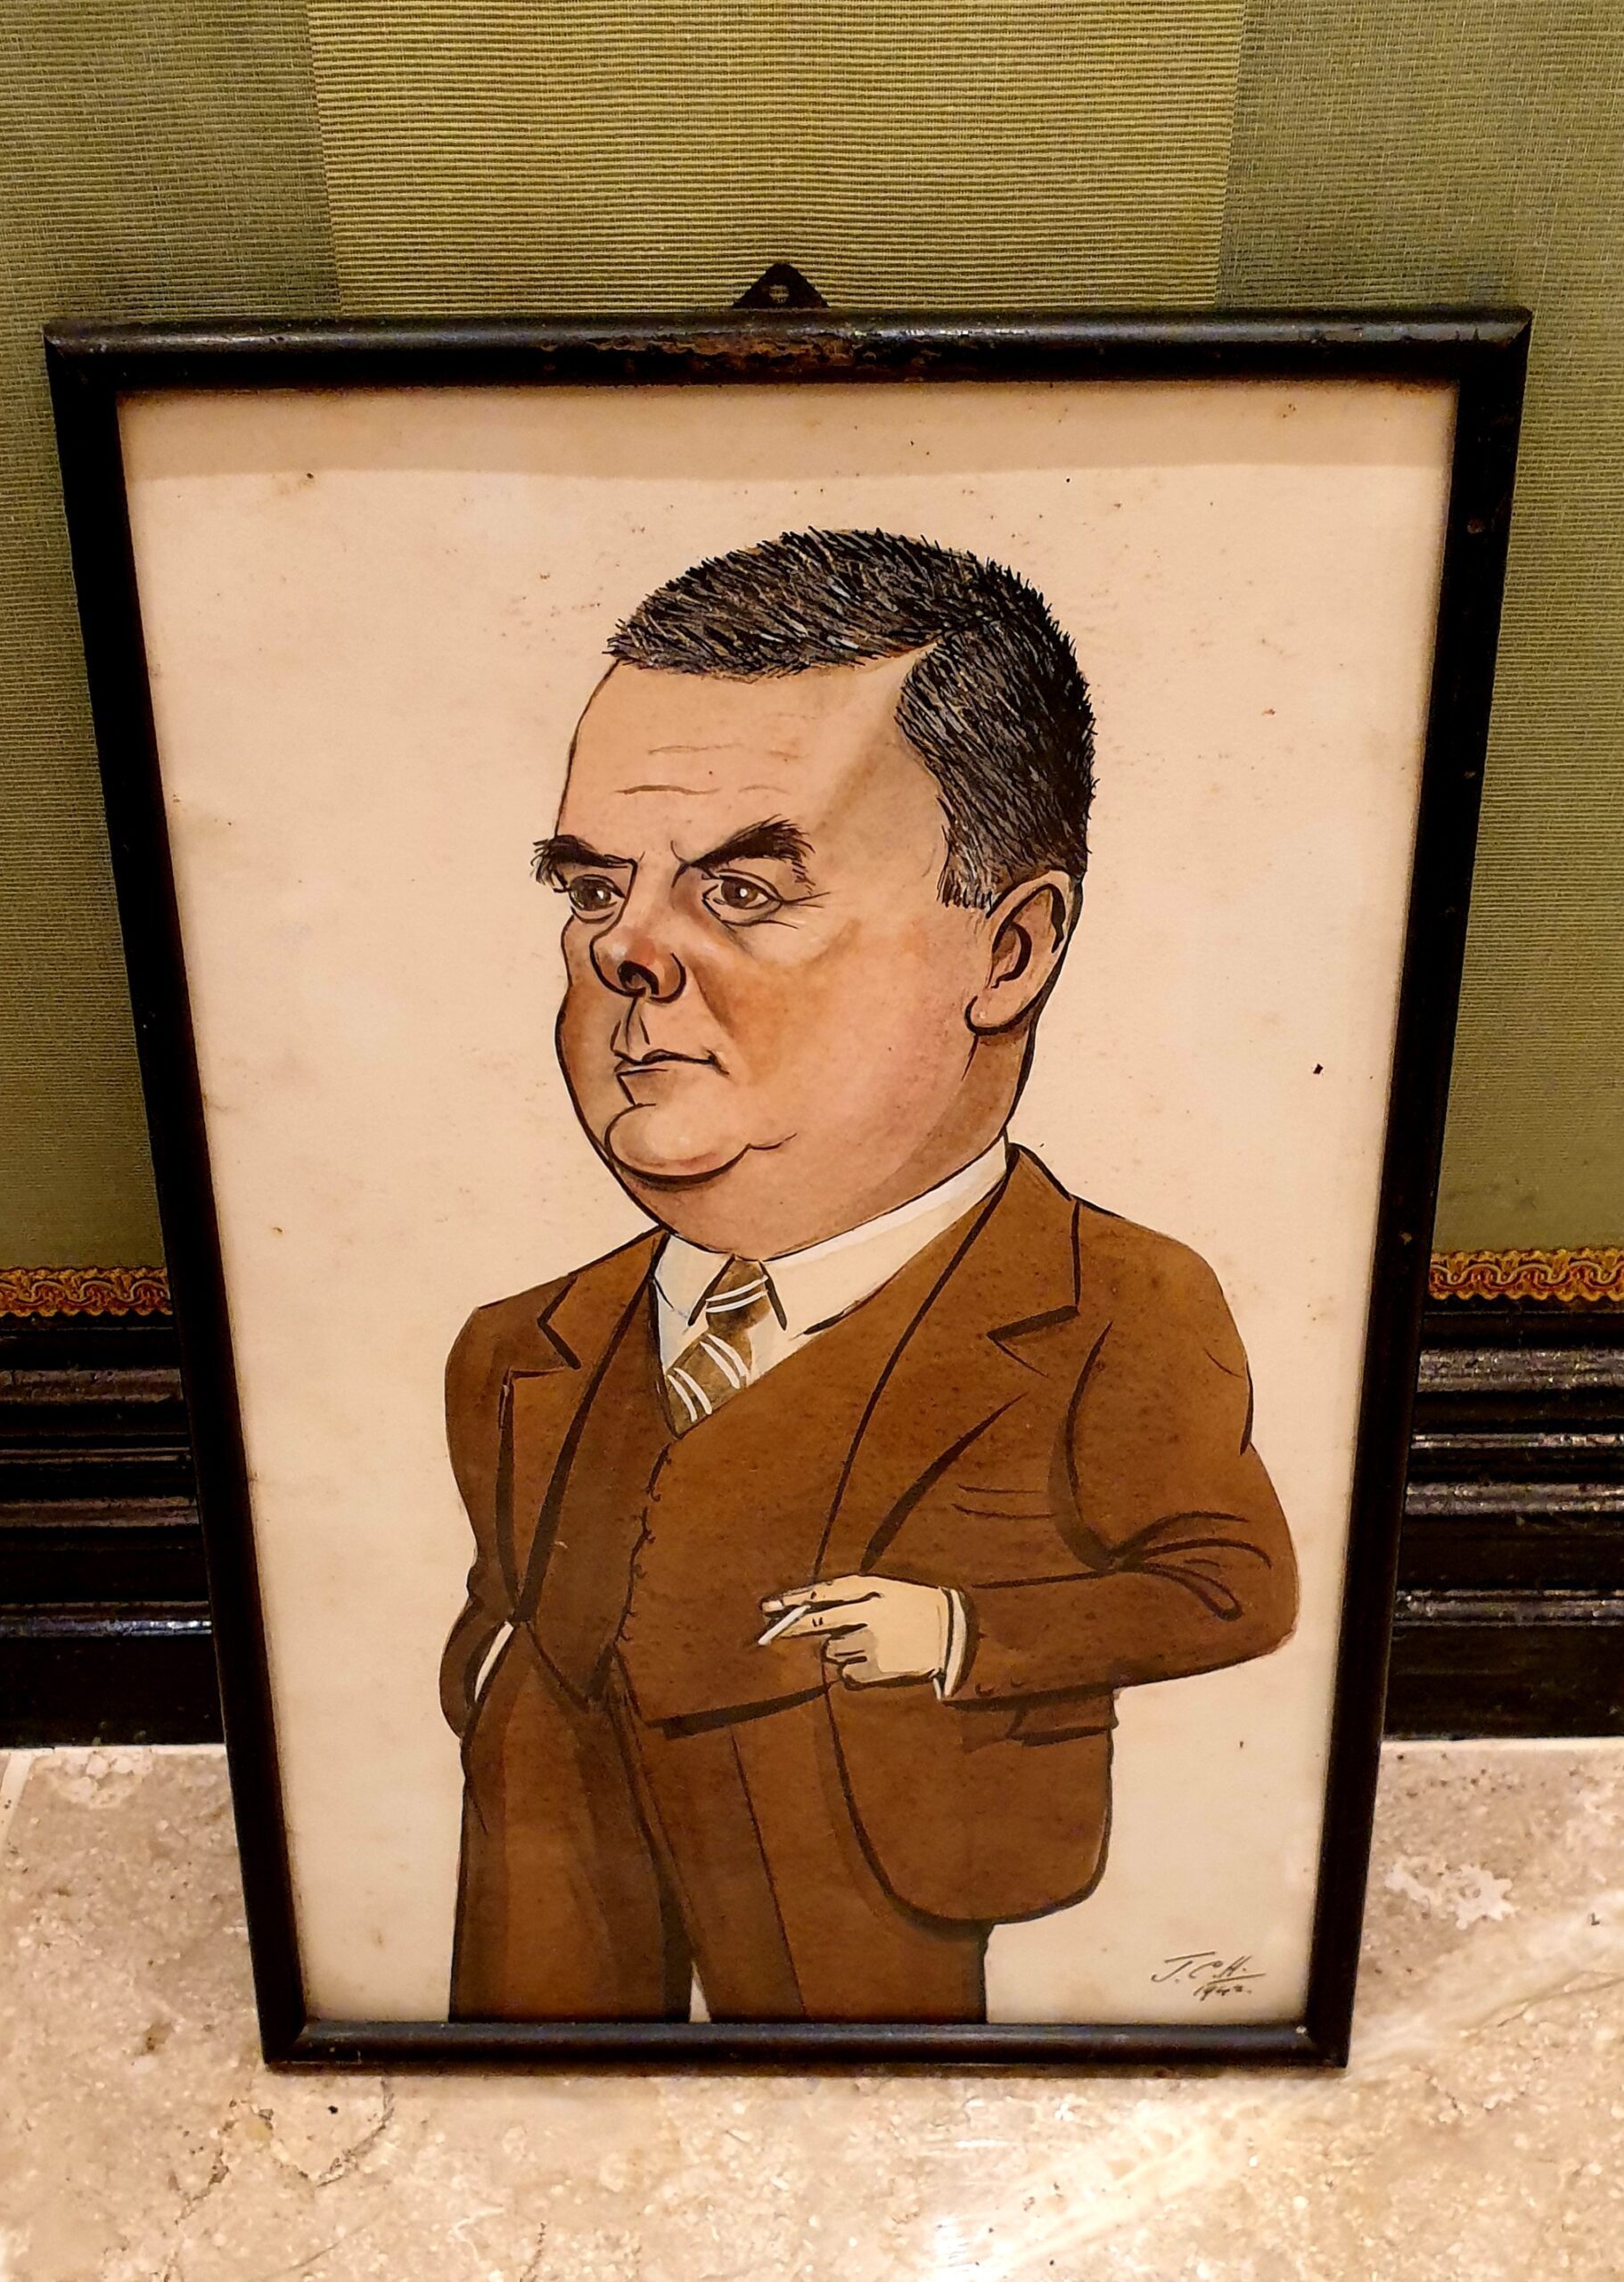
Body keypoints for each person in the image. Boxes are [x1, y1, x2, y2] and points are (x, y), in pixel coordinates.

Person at [440, 527, 1298, 2022]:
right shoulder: (523, 1341)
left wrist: (963, 1637)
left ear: (1008, 952)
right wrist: (498, 1677)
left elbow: (1234, 1587)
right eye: (591, 891)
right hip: (557, 1824)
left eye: (741, 891)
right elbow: (503, 1584)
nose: (625, 954)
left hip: (871, 1841)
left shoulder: (1114, 1301)